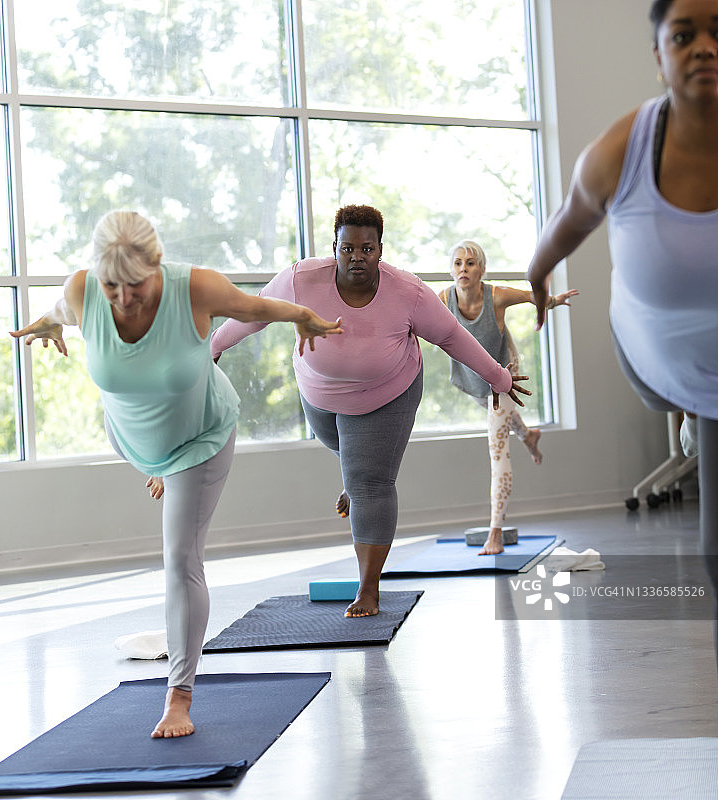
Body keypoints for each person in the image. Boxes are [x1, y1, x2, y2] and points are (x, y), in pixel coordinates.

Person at [10, 210, 343, 738]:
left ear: (158, 265)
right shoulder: (83, 292)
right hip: (132, 441)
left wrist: (302, 314)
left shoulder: (196, 289)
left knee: (179, 560)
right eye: (111, 285)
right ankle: (160, 471)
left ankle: (179, 695)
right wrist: (52, 321)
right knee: (153, 472)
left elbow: (257, 306)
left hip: (198, 440)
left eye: (136, 284)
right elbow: (59, 308)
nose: (123, 298)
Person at [211, 204, 531, 618]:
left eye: (366, 249)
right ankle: (356, 476)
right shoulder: (300, 279)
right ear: (335, 248)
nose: (356, 257)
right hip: (319, 394)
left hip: (388, 394)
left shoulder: (408, 293)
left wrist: (497, 377)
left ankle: (368, 588)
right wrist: (214, 347)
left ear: (380, 250)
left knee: (372, 485)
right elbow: (254, 314)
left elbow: (452, 337)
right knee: (344, 452)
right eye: (348, 249)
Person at [526, 0, 718, 664]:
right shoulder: (621, 148)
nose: (703, 48)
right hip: (652, 352)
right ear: (659, 55)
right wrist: (536, 270)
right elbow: (568, 220)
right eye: (684, 35)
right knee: (675, 398)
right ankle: (691, 411)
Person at [439, 240, 577, 555]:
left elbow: (533, 296)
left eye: (470, 263)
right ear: (451, 270)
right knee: (500, 420)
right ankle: (529, 435)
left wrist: (553, 301)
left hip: (505, 379)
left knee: (497, 449)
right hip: (474, 379)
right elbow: (418, 320)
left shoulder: (497, 296)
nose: (463, 269)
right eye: (458, 263)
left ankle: (495, 532)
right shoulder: (444, 298)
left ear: (481, 270)